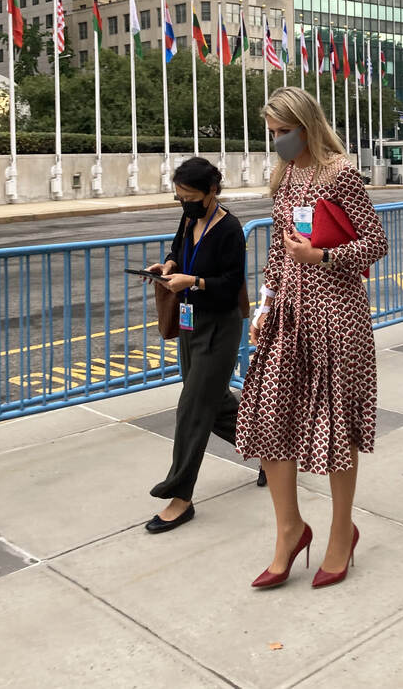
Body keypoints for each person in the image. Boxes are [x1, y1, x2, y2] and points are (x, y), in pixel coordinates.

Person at [236, 86, 389, 589]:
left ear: (307, 125)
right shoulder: (285, 175)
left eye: (284, 131)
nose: (277, 140)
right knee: (269, 416)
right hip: (289, 313)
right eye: (272, 132)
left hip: (337, 315)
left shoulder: (339, 172)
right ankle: (289, 529)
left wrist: (322, 258)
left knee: (335, 423)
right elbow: (280, 251)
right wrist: (264, 303)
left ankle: (341, 531)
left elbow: (375, 242)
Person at [143, 157, 247, 533]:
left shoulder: (229, 229)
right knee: (214, 402)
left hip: (219, 327)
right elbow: (177, 251)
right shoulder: (189, 219)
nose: (184, 203)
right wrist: (168, 267)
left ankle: (179, 495)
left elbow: (231, 283)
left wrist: (195, 282)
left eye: (189, 196)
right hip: (190, 324)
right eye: (179, 197)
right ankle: (271, 451)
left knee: (191, 407)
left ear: (212, 191)